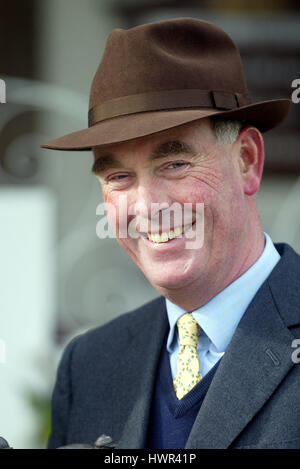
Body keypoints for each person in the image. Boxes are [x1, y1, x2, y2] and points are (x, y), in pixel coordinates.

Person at [41, 18, 300, 449]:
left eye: (174, 165)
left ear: (247, 161)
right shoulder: (88, 365)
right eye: (119, 176)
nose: (146, 207)